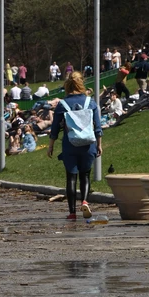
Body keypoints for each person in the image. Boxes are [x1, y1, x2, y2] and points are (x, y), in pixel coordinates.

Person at [46, 72, 103, 220]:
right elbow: (98, 126)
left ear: (67, 85)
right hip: (88, 144)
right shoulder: (90, 102)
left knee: (71, 177)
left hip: (70, 145)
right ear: (81, 83)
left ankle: (72, 213)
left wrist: (50, 146)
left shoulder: (62, 105)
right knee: (85, 175)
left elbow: (54, 129)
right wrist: (99, 144)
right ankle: (84, 201)